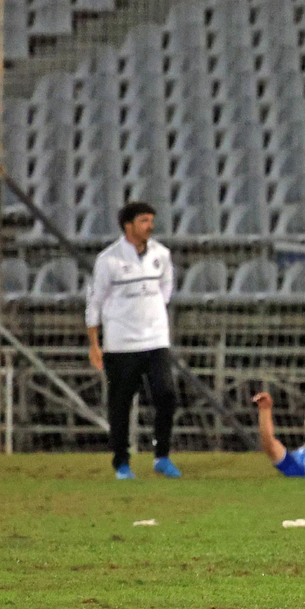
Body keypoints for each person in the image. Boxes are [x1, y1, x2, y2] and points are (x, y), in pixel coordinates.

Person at [86, 201, 180, 480]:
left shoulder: (161, 254)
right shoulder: (108, 260)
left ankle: (161, 455)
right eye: (144, 221)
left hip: (156, 341)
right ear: (128, 226)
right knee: (121, 404)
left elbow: (166, 288)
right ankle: (121, 463)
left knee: (166, 395)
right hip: (121, 344)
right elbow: (95, 301)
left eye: (151, 220)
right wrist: (94, 343)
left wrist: (151, 317)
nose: (150, 226)